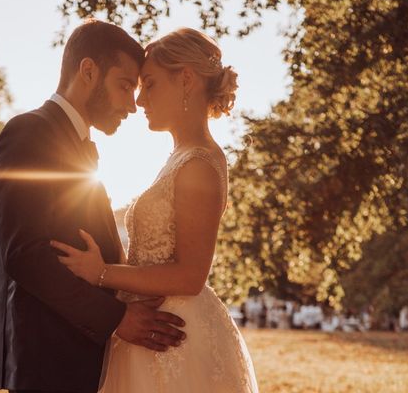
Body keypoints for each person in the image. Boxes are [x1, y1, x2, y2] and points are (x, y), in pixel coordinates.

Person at [0, 19, 186, 393]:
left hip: (80, 358)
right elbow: (25, 254)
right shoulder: (29, 132)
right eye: (124, 86)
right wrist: (117, 317)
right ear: (88, 71)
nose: (131, 104)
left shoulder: (79, 144)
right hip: (48, 361)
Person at [52, 28, 258, 392]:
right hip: (151, 326)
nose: (140, 100)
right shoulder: (179, 158)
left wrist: (102, 274)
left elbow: (190, 276)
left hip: (173, 335)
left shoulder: (198, 165)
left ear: (187, 80)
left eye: (149, 84)